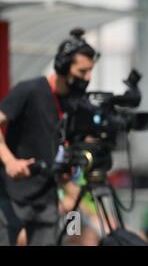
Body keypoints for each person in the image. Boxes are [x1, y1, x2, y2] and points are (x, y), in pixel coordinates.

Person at [0, 28, 98, 245]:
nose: (88, 78)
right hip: (11, 194)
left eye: (90, 71)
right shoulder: (30, 90)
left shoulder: (75, 103)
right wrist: (10, 161)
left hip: (47, 197)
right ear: (63, 67)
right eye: (82, 72)